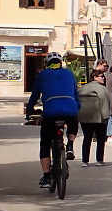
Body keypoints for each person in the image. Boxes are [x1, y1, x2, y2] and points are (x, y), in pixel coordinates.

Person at [26, 52, 81, 189]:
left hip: (50, 112)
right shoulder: (69, 74)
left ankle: (46, 176)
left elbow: (35, 95)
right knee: (73, 123)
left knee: (45, 143)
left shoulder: (43, 75)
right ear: (61, 62)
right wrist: (77, 107)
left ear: (47, 63)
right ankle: (70, 146)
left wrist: (29, 110)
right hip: (70, 109)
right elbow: (76, 93)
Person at [78, 69, 110, 166]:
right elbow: (105, 103)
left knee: (87, 138)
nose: (103, 78)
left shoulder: (82, 88)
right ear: (95, 78)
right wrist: (106, 117)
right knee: (100, 139)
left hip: (84, 117)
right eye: (101, 76)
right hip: (98, 117)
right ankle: (99, 160)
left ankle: (85, 160)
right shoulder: (101, 89)